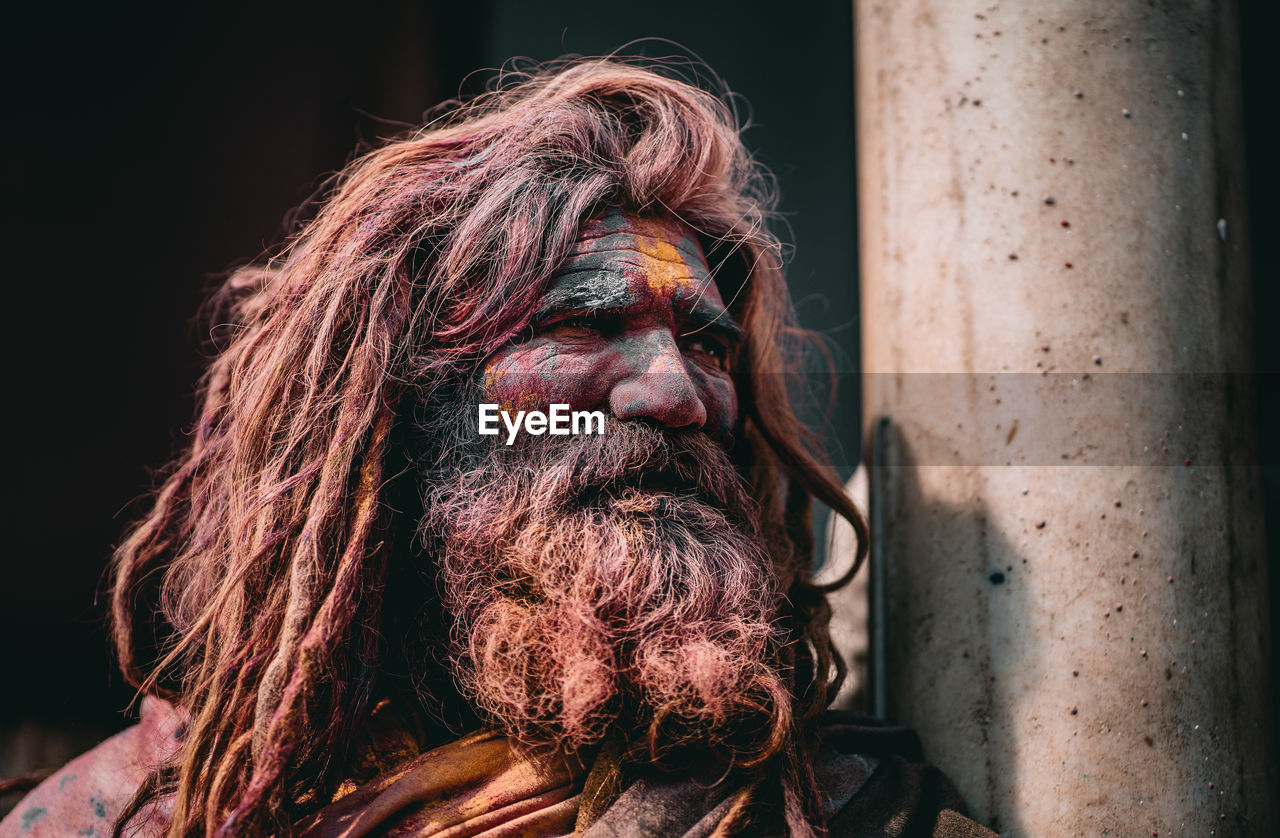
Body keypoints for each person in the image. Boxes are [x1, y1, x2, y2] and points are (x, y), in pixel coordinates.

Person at [1, 59, 994, 838]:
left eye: (704, 344)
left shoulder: (854, 818)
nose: (677, 393)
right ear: (400, 411)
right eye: (581, 327)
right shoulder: (123, 816)